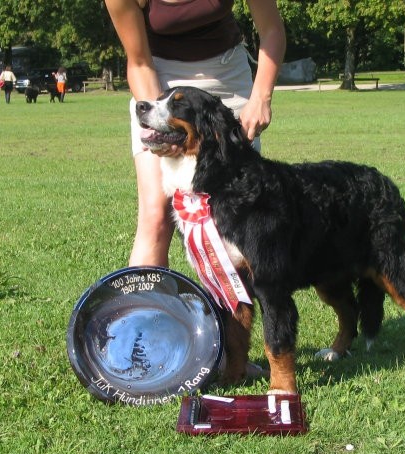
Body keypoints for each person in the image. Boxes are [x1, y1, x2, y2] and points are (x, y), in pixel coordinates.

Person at [105, 0, 286, 268]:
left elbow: (272, 30)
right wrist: (162, 124)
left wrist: (261, 96)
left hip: (227, 78)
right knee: (156, 215)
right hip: (160, 83)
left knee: (240, 209)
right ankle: (145, 309)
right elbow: (140, 62)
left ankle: (240, 306)